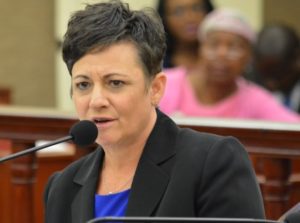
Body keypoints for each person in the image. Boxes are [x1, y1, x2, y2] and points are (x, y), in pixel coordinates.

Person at [44, 1, 265, 223]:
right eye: (83, 85)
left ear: (155, 89)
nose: (97, 100)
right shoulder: (62, 187)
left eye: (115, 83)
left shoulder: (214, 162)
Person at [159, 8, 300, 122]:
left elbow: (292, 128)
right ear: (200, 49)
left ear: (248, 57)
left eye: (234, 47)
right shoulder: (166, 83)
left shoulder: (255, 99)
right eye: (213, 45)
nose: (222, 55)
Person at [251, 24, 300, 113]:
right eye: (265, 74)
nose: (270, 84)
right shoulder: (249, 82)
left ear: (297, 59)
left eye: (278, 75)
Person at [157, 0, 214, 70]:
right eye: (178, 12)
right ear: (164, 19)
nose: (190, 18)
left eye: (197, 8)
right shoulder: (156, 64)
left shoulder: (223, 57)